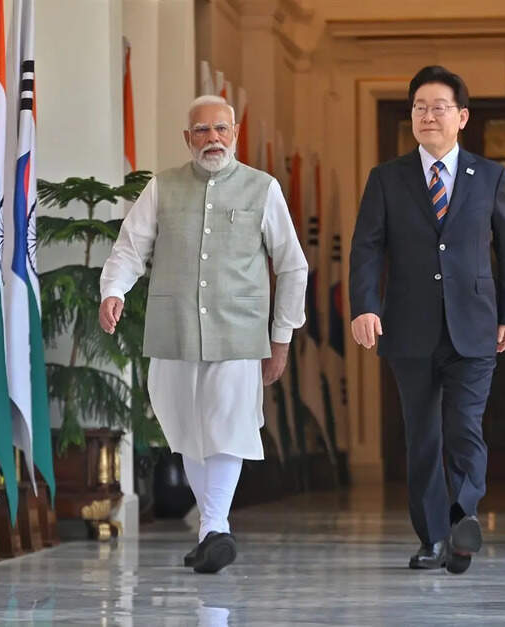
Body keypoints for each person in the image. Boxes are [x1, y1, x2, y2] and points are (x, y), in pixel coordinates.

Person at [99, 95, 308, 574]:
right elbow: (130, 247)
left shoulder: (263, 188)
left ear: (235, 133)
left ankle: (215, 527)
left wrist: (281, 337)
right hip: (174, 328)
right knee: (186, 429)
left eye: (221, 129)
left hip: (239, 330)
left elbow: (293, 266)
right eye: (202, 130)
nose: (212, 138)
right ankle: (211, 532)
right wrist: (113, 290)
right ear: (187, 138)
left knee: (227, 427)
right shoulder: (163, 186)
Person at [349, 66, 505, 574]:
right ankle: (432, 539)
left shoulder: (489, 176)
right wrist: (365, 306)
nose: (428, 116)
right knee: (423, 437)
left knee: (464, 427)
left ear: (462, 117)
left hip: (475, 325)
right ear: (411, 117)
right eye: (420, 107)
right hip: (409, 328)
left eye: (439, 107)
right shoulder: (387, 178)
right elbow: (366, 248)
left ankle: (461, 517)